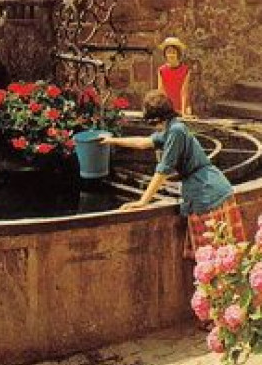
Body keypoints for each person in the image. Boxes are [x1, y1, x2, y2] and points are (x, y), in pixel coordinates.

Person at [101, 91, 245, 255]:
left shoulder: (175, 131)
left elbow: (163, 170)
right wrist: (110, 140)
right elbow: (143, 142)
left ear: (158, 119)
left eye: (152, 123)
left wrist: (143, 201)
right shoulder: (172, 127)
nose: (154, 127)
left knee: (215, 256)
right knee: (224, 255)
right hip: (211, 187)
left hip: (208, 192)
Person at [157, 36, 193, 116]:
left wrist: (183, 112)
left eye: (173, 52)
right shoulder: (161, 70)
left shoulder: (186, 70)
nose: (171, 55)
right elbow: (161, 91)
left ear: (178, 53)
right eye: (168, 52)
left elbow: (184, 92)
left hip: (182, 107)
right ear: (165, 54)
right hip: (167, 108)